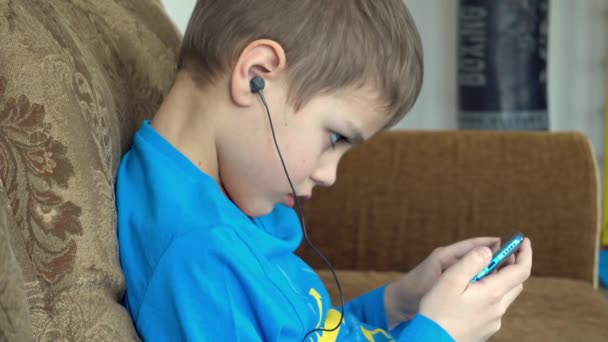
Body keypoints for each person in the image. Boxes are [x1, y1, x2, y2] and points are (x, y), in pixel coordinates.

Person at [116, 0, 533, 341]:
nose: (330, 175)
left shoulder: (225, 197)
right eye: (335, 138)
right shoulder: (199, 258)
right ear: (257, 76)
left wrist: (399, 303)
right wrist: (441, 333)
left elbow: (306, 330)